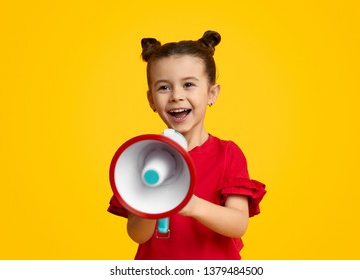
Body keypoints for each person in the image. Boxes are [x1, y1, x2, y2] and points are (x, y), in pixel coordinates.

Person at [108, 31, 266, 259]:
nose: (176, 96)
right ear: (151, 99)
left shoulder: (227, 154)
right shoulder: (143, 156)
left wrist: (191, 205)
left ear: (212, 93)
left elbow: (238, 224)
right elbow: (137, 234)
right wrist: (151, 203)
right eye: (164, 87)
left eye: (188, 84)